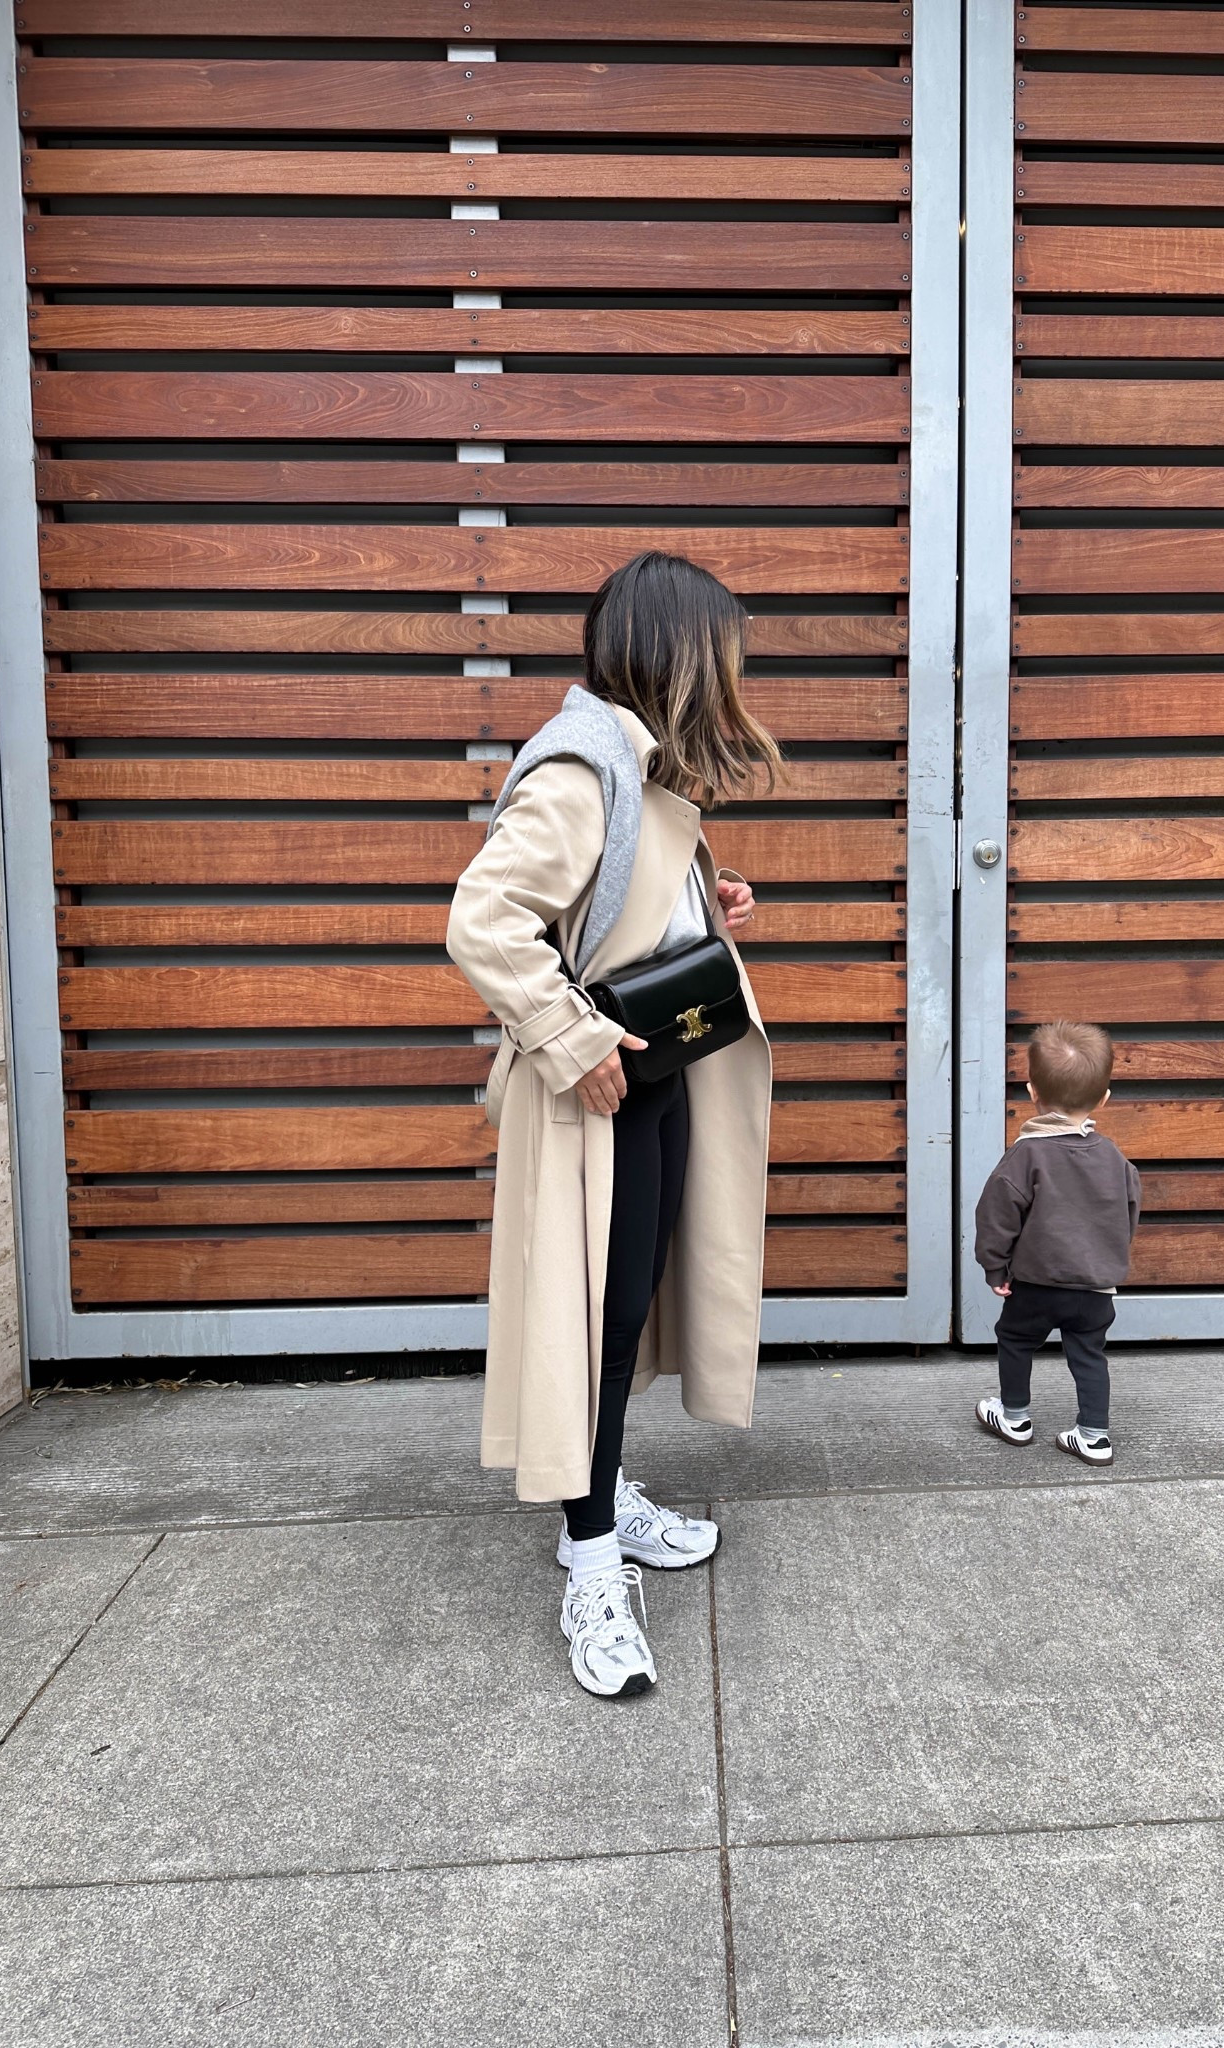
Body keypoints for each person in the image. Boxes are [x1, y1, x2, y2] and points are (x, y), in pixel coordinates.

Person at [446, 550, 779, 1699]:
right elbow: (483, 921)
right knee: (595, 1319)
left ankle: (604, 1492)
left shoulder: (634, 769)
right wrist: (573, 1037)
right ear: (677, 656)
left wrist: (707, 902)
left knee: (627, 1308)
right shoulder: (581, 771)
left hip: (659, 1078)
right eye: (720, 659)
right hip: (601, 1096)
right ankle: (589, 1559)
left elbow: (606, 908)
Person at [972, 1020, 1141, 1468]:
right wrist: (1108, 1259)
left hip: (1037, 1286)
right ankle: (1094, 1436)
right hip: (1093, 1290)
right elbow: (1128, 1213)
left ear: (1032, 1092)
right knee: (1089, 1354)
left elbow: (996, 1216)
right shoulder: (1115, 1159)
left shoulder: (1026, 1155)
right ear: (1104, 1098)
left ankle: (1015, 1418)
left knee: (1014, 1338)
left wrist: (996, 1267)